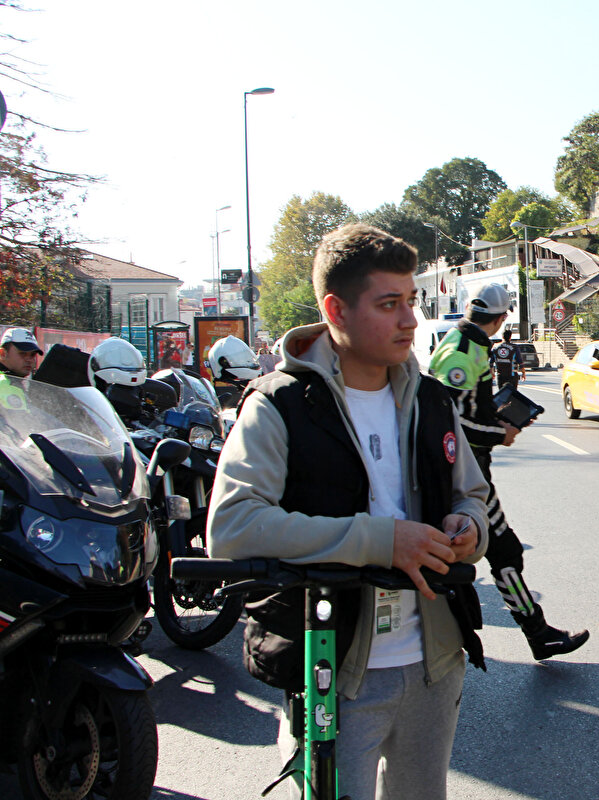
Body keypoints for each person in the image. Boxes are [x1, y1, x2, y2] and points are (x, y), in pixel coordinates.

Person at [208, 223, 490, 800]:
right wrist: (379, 541)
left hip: (434, 664)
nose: (410, 320)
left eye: (412, 301)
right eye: (390, 304)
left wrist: (469, 528)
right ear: (336, 308)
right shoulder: (278, 404)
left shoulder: (432, 398)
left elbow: (474, 496)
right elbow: (232, 527)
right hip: (331, 669)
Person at [429, 283, 589, 660]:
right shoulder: (462, 352)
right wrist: (501, 432)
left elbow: (466, 411)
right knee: (503, 552)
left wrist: (497, 417)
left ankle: (535, 634)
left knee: (497, 551)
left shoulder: (465, 343)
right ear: (501, 320)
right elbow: (446, 425)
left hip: (469, 469)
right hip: (465, 474)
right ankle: (537, 633)